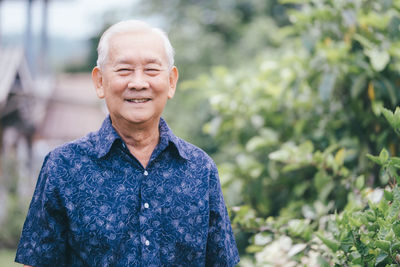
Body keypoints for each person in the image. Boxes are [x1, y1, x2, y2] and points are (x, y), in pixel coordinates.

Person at [14, 20, 240, 266]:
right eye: (124, 70)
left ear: (172, 81)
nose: (138, 82)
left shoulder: (200, 169)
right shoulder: (63, 167)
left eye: (152, 70)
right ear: (100, 81)